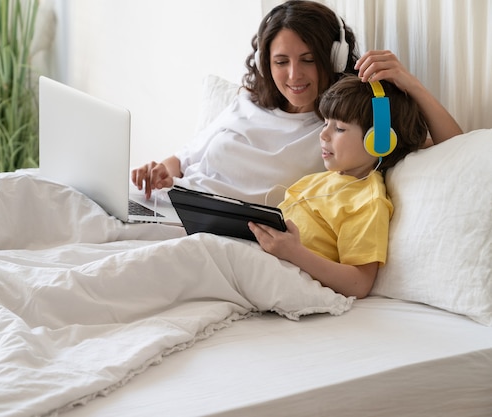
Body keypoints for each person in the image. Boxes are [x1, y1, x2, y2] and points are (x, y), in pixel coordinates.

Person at [131, 0, 462, 205]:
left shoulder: (348, 126)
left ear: (333, 58)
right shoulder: (247, 101)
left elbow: (456, 148)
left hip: (216, 234)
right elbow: (183, 159)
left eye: (308, 59)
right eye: (280, 62)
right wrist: (159, 172)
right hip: (168, 203)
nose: (293, 75)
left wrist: (412, 84)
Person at [249, 75, 428, 299]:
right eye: (325, 123)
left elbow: (359, 283)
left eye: (340, 129)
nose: (323, 134)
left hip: (287, 276)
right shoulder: (317, 181)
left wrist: (295, 253)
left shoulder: (366, 200)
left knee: (202, 254)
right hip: (260, 262)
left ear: (379, 140)